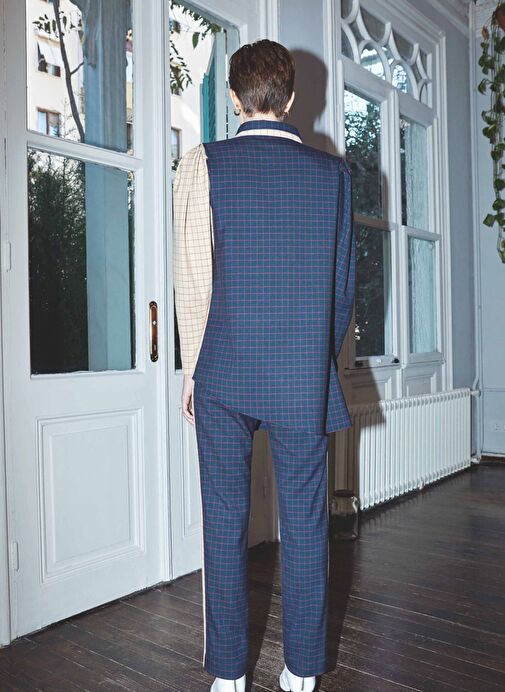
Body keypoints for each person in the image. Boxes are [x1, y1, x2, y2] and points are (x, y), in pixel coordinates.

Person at [173, 39, 355, 692]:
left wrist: (191, 370)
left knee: (224, 522)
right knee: (305, 523)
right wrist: (312, 357)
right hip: (301, 375)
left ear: (233, 97)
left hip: (223, 372)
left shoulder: (203, 163)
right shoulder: (333, 176)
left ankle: (228, 676)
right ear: (292, 98)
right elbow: (341, 291)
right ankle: (301, 671)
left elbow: (193, 280)